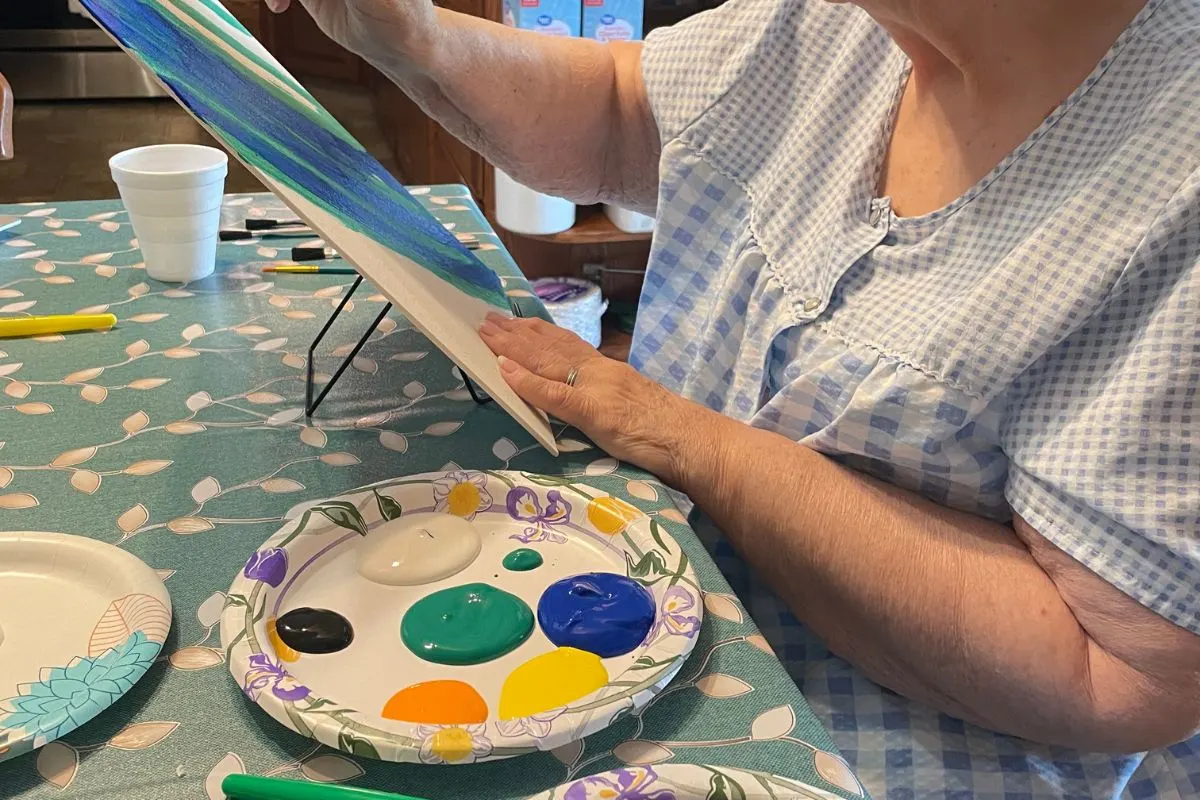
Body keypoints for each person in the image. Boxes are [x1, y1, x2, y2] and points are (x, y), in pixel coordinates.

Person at [266, 0, 1200, 795]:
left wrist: (686, 439)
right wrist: (416, 36)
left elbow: (1113, 674)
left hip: (868, 753)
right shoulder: (833, 24)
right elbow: (620, 116)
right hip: (639, 624)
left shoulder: (1176, 178)